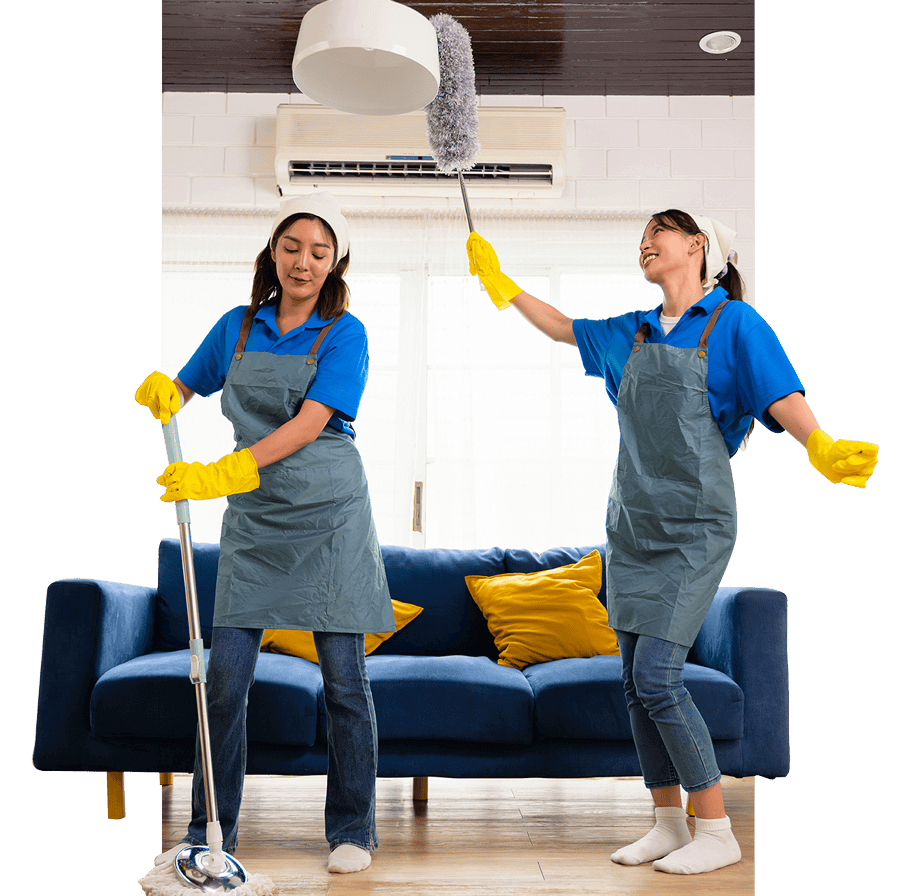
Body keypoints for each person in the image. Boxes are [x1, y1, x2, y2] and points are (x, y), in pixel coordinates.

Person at [467, 211, 878, 875]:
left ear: (698, 246)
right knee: (634, 681)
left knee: (658, 675)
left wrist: (819, 445)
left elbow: (779, 392)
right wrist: (502, 283)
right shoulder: (630, 331)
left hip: (695, 525)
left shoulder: (734, 323)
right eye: (640, 237)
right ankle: (665, 821)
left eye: (660, 229)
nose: (645, 242)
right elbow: (562, 328)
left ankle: (714, 829)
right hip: (630, 520)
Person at [135, 193, 393, 875]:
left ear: (334, 261)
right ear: (272, 253)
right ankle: (208, 830)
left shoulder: (344, 331)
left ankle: (353, 830)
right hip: (255, 519)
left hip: (330, 513)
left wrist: (223, 470)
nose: (303, 261)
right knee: (223, 682)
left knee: (343, 681)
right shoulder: (237, 327)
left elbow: (311, 424)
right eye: (291, 247)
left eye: (318, 251)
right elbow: (188, 385)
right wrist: (168, 389)